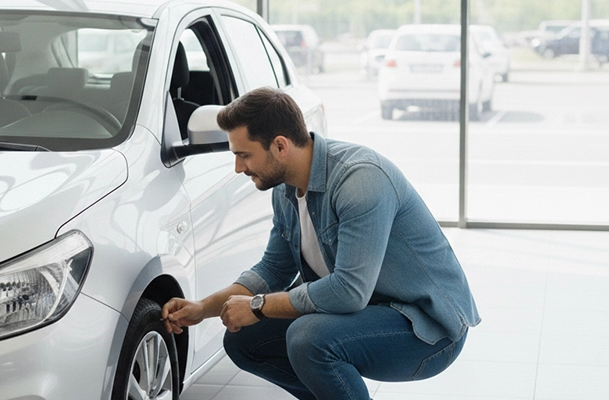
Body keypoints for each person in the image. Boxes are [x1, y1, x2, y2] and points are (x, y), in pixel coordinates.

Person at [161, 87, 480, 400]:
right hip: (367, 311)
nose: (239, 168)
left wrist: (258, 306)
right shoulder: (284, 190)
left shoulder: (360, 179)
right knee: (243, 339)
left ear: (280, 146)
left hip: (426, 328)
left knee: (308, 338)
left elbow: (349, 291)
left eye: (244, 155)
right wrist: (203, 308)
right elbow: (273, 269)